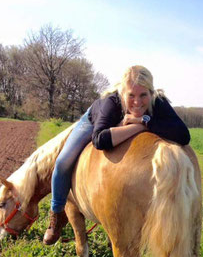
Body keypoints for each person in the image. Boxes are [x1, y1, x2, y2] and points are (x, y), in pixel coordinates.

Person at [43, 65, 190, 245]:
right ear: (123, 93)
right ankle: (56, 215)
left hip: (129, 123)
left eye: (143, 95)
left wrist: (141, 123)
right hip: (92, 121)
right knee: (63, 162)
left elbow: (183, 135)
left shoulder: (158, 102)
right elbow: (99, 140)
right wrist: (138, 126)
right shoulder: (110, 103)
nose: (137, 102)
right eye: (131, 96)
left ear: (151, 94)